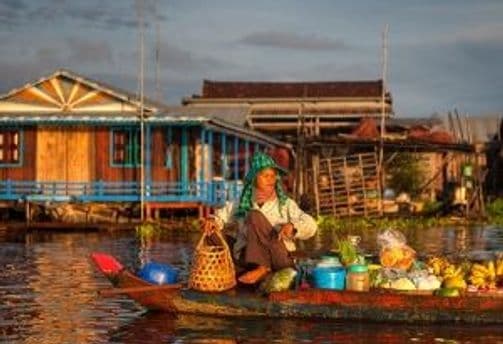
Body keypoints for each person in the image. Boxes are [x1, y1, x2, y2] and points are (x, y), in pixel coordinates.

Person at [202, 152, 317, 284]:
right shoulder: (242, 201)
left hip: (278, 258)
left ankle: (263, 268)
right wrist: (212, 222)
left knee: (254, 215)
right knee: (211, 232)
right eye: (265, 176)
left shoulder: (285, 204)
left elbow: (311, 224)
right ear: (255, 178)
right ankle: (239, 269)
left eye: (273, 176)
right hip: (247, 259)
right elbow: (221, 216)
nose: (271, 180)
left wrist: (293, 227)